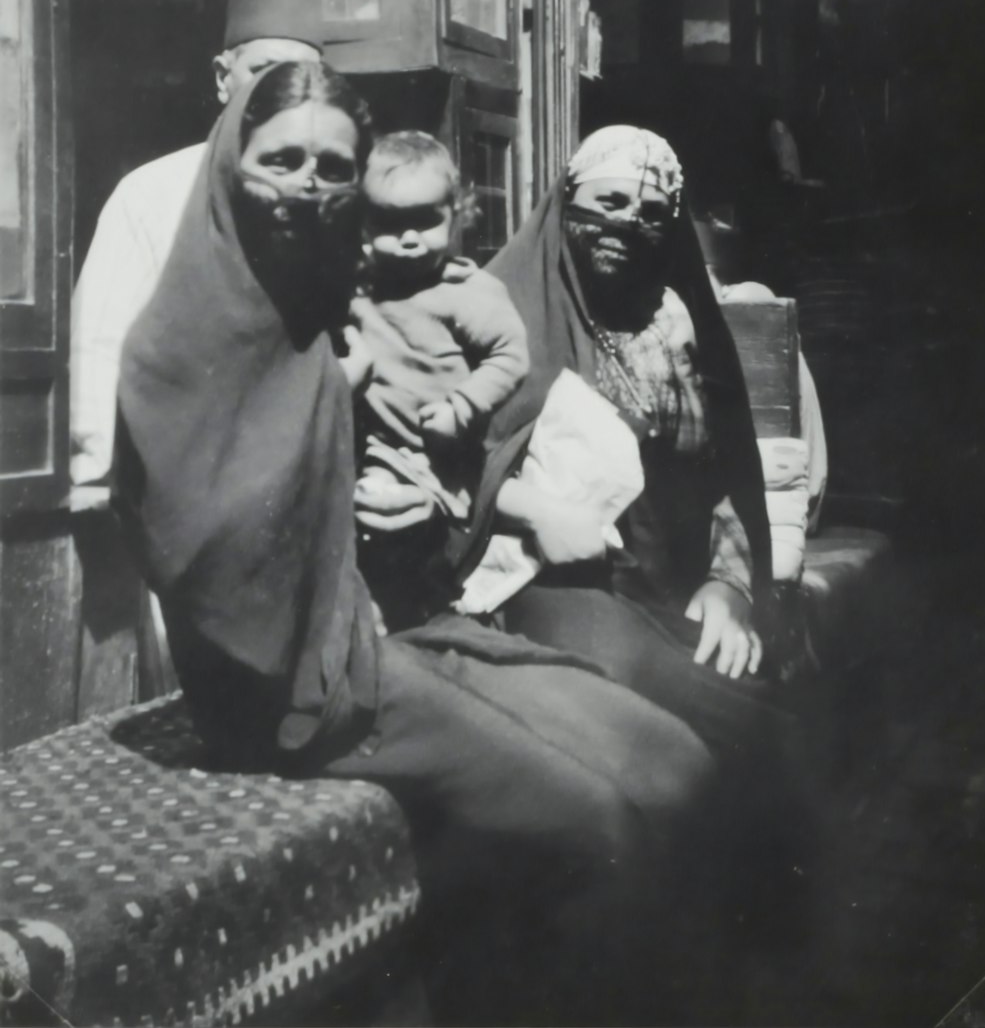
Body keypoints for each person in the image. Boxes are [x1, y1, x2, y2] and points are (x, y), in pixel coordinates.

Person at [116, 65, 733, 1027]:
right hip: (293, 698)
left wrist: (404, 507)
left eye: (332, 167)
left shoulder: (329, 317)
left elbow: (430, 494)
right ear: (231, 169)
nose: (308, 188)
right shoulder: (177, 345)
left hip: (384, 637)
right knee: (597, 822)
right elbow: (211, 566)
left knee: (671, 759)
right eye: (282, 161)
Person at [449, 125, 822, 959]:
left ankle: (750, 970)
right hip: (550, 583)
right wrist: (529, 509)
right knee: (689, 741)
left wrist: (729, 580)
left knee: (765, 720)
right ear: (567, 203)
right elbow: (439, 469)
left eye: (653, 213)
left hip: (671, 580)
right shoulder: (498, 306)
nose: (628, 224)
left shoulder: (682, 322)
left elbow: (734, 466)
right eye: (608, 203)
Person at [70, 0, 326, 504]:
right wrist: (103, 477)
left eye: (303, 75)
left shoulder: (331, 198)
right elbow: (98, 347)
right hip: (176, 487)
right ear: (221, 77)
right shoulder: (150, 196)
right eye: (263, 68)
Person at [351, 131, 529, 628]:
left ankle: (421, 614)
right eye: (390, 222)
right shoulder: (360, 288)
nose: (409, 239)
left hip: (441, 452)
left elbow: (510, 354)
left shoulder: (466, 291)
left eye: (426, 220)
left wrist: (460, 409)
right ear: (363, 222)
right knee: (375, 518)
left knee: (410, 534)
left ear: (457, 213)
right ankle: (396, 615)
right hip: (379, 445)